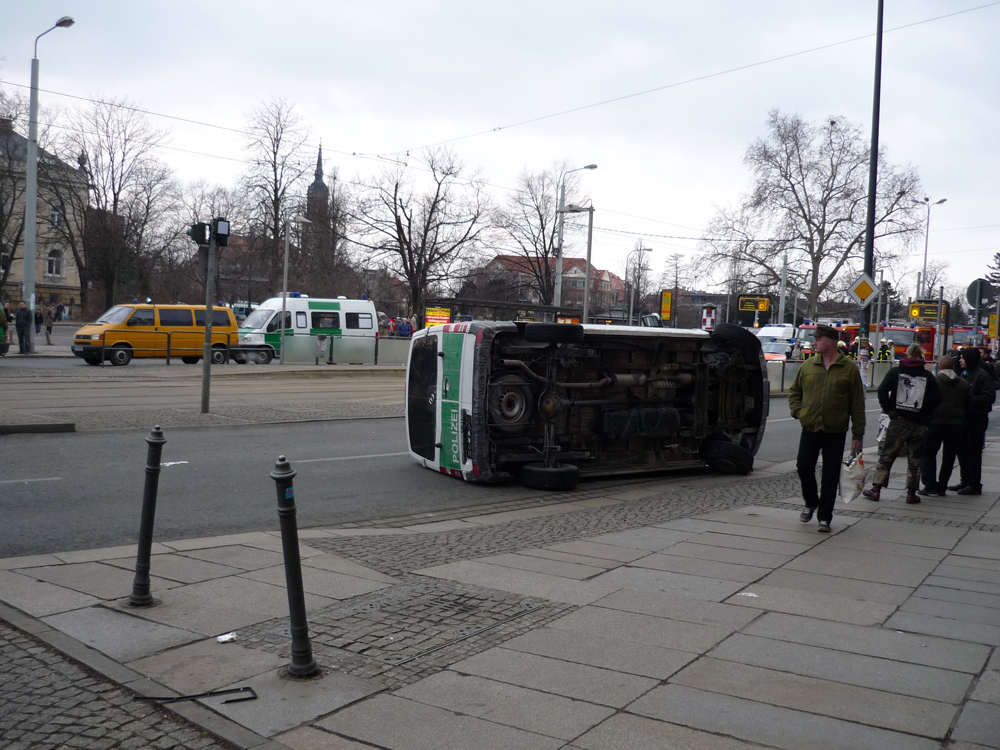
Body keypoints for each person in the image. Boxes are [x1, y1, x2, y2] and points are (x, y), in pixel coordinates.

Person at [788, 324, 866, 533]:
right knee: (804, 466)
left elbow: (857, 403)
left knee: (830, 475)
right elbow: (794, 392)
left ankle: (825, 517)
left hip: (835, 430)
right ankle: (811, 501)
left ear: (829, 342)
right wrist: (799, 412)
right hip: (811, 427)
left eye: (818, 339)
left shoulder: (849, 368)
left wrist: (858, 433)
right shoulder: (808, 365)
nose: (814, 343)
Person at [862, 344, 942, 504]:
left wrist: (889, 409)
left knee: (887, 456)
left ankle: (876, 489)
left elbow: (882, 390)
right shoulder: (927, 376)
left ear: (907, 355)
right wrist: (926, 413)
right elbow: (937, 399)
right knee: (915, 459)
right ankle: (911, 493)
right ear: (921, 357)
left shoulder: (895, 372)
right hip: (919, 423)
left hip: (898, 421)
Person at [918, 355, 972, 496]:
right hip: (955, 424)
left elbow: (926, 402)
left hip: (935, 423)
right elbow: (969, 404)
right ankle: (942, 486)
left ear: (940, 367)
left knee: (929, 453)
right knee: (949, 456)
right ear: (953, 367)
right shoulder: (964, 384)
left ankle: (930, 484)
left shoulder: (934, 382)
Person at [948, 346, 996, 496]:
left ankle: (974, 484)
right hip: (964, 418)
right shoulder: (965, 374)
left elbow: (989, 397)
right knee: (961, 450)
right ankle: (965, 480)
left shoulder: (982, 376)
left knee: (973, 452)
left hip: (976, 419)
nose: (960, 360)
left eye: (963, 357)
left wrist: (969, 400)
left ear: (970, 359)